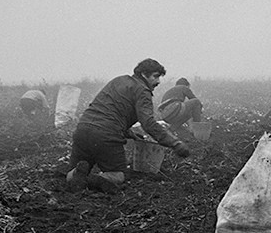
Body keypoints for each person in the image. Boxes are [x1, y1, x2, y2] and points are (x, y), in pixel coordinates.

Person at [66, 58, 191, 194]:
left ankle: (78, 175)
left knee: (73, 171)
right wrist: (175, 143)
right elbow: (148, 123)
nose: (158, 82)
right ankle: (91, 180)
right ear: (143, 74)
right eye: (155, 76)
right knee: (119, 175)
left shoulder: (119, 80)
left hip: (82, 130)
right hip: (106, 135)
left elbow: (108, 110)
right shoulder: (143, 91)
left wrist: (129, 132)